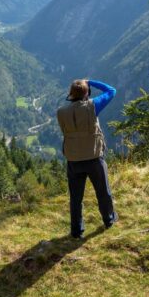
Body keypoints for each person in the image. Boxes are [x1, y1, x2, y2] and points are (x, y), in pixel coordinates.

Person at [57, 79, 118, 238]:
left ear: (70, 93)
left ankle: (76, 231)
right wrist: (90, 81)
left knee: (76, 198)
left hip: (73, 159)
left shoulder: (61, 112)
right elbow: (111, 90)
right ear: (87, 93)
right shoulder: (93, 106)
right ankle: (109, 220)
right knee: (103, 191)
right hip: (94, 157)